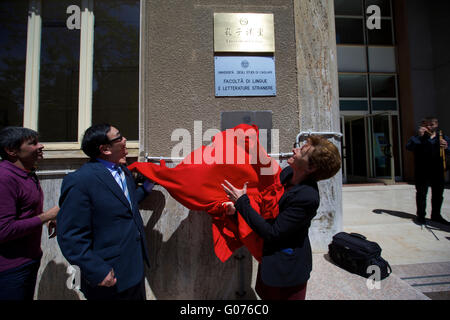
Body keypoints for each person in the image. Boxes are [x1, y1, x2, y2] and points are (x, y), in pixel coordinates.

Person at [222, 135, 341, 300]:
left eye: (302, 150)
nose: (295, 149)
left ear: (311, 167)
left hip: (287, 273)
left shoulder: (307, 197)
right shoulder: (287, 174)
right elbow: (265, 207)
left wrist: (242, 202)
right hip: (269, 263)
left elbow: (273, 232)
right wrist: (237, 212)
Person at [56, 124, 154, 300]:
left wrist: (146, 188)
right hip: (108, 275)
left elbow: (124, 205)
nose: (125, 140)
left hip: (133, 268)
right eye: (119, 137)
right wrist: (96, 270)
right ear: (105, 149)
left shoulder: (122, 171)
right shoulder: (80, 181)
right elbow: (70, 236)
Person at [0, 126, 59, 300]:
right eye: (32, 143)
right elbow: (3, 229)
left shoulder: (27, 173)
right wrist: (45, 216)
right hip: (9, 269)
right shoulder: (5, 179)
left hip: (29, 260)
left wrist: (44, 219)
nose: (40, 146)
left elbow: (22, 210)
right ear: (11, 151)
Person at [406, 117, 450, 226]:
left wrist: (447, 146)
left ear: (436, 125)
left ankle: (436, 215)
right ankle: (420, 215)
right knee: (421, 193)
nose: (429, 127)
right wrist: (420, 137)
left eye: (432, 124)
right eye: (427, 124)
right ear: (423, 125)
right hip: (422, 170)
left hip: (438, 170)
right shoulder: (417, 137)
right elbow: (409, 147)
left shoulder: (442, 137)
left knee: (438, 194)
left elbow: (449, 150)